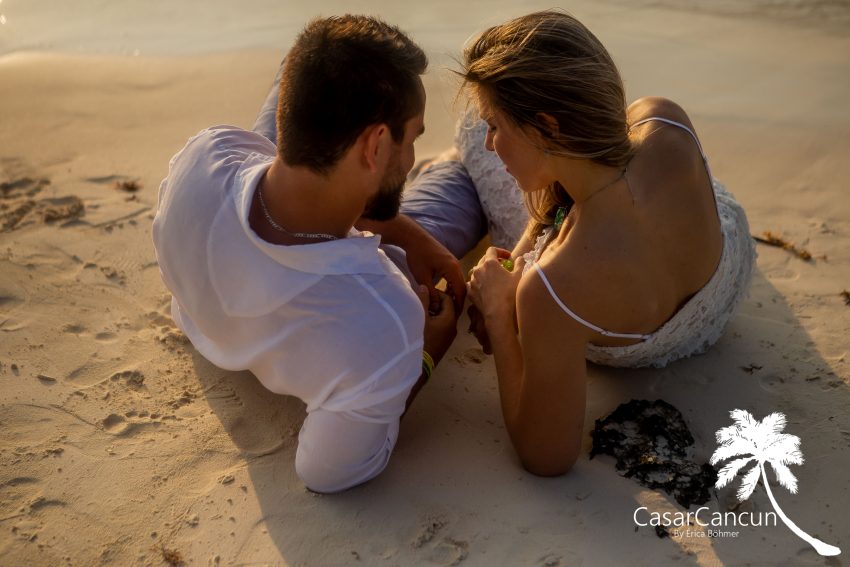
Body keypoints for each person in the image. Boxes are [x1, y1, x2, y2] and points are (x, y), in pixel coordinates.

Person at [413, 10, 756, 476]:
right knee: (506, 133)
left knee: (469, 135)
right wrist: (521, 254)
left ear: (548, 128)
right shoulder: (664, 120)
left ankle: (442, 173)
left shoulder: (553, 289)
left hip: (632, 332)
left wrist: (499, 311)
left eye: (499, 126)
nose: (494, 142)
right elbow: (582, 186)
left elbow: (546, 456)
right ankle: (460, 165)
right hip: (724, 274)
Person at [152, 15, 460, 493]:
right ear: (377, 143)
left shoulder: (210, 152)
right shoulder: (383, 321)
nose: (412, 153)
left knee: (323, 63)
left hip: (211, 302)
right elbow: (327, 473)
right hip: (356, 296)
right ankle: (457, 168)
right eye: (414, 137)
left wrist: (407, 232)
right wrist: (424, 355)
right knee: (448, 195)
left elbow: (288, 176)